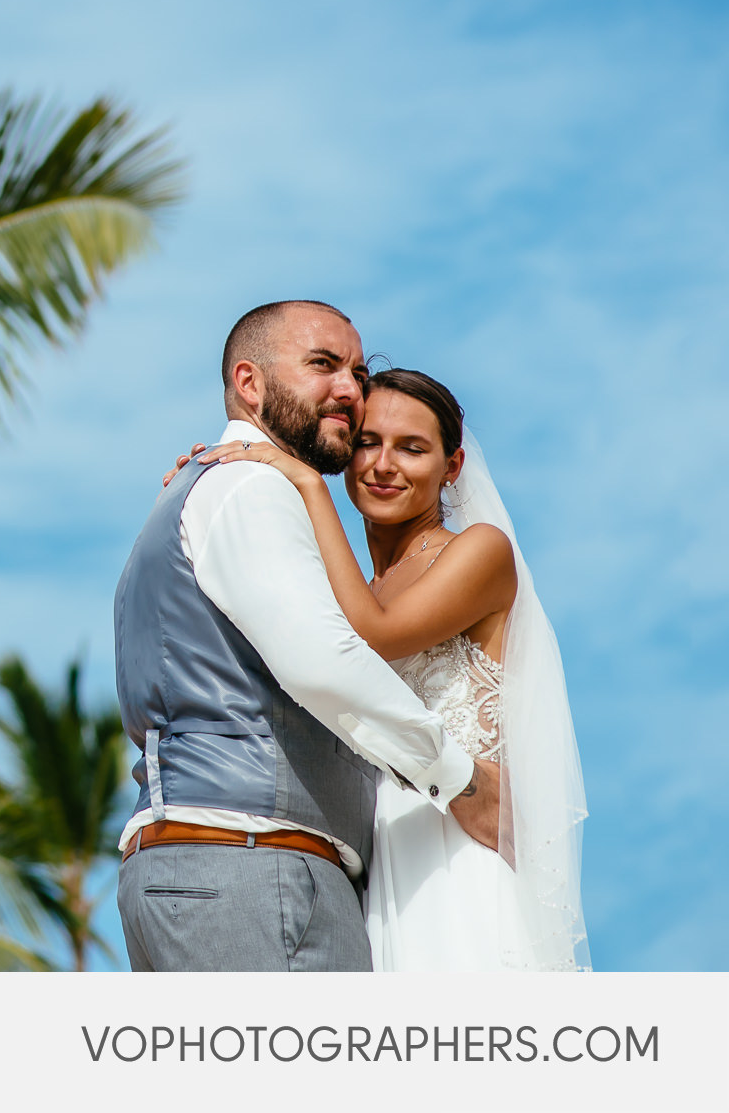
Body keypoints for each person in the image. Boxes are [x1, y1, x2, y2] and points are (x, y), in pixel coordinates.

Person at [113, 300, 497, 971]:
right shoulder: (250, 490)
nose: (350, 388)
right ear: (250, 382)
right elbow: (327, 664)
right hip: (256, 870)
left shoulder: (195, 491)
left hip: (206, 869)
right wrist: (461, 778)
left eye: (355, 370)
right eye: (323, 364)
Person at [186, 366, 590, 969]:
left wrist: (304, 481)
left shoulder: (479, 551)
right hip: (375, 862)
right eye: (368, 442)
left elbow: (374, 635)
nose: (382, 465)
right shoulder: (356, 586)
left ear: (451, 468)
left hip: (456, 850)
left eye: (413, 448)